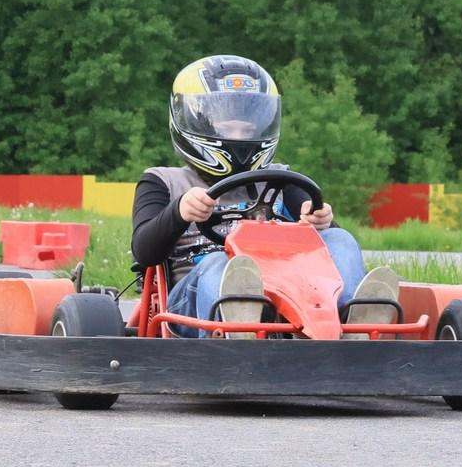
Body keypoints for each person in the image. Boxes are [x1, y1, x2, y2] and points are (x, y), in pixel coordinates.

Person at [129, 55, 399, 335]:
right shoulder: (163, 182)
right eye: (227, 128)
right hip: (193, 301)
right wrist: (179, 212)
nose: (240, 137)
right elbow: (145, 252)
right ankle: (235, 330)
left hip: (284, 293)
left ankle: (355, 323)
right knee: (221, 263)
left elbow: (325, 242)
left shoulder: (279, 178)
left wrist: (320, 220)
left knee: (339, 238)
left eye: (248, 130)